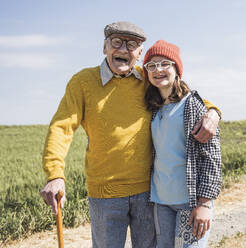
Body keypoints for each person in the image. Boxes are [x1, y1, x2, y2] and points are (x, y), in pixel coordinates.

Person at [39, 21, 221, 248]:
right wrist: (55, 174)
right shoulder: (82, 82)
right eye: (116, 42)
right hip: (105, 195)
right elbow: (61, 127)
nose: (123, 49)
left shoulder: (147, 78)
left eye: (132, 45)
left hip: (148, 193)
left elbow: (183, 95)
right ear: (104, 47)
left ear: (139, 53)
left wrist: (213, 112)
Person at [143, 40, 222, 248]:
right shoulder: (153, 109)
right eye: (151, 65)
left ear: (177, 69)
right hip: (161, 201)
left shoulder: (192, 106)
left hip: (190, 202)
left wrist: (204, 204)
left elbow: (212, 157)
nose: (158, 69)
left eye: (165, 64)